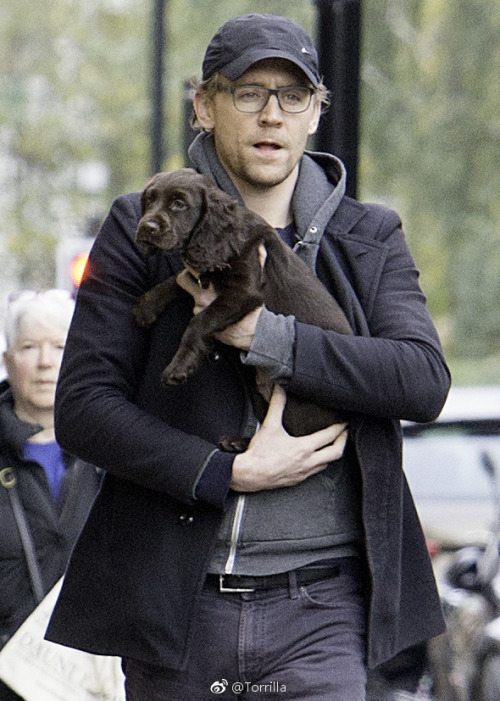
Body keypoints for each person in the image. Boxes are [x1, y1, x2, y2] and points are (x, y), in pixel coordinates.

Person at [45, 13, 451, 701]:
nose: (272, 114)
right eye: (248, 92)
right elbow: (83, 410)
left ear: (318, 112)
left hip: (323, 609)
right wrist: (225, 470)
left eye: (294, 96)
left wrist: (269, 338)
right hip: (180, 608)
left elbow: (421, 379)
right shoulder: (140, 224)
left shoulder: (369, 234)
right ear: (204, 104)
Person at [0, 289, 103, 701]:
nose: (45, 362)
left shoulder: (116, 451)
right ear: (8, 361)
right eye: (29, 347)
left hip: (101, 676)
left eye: (60, 346)